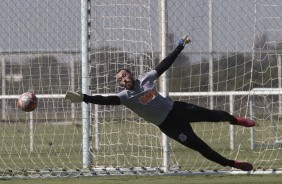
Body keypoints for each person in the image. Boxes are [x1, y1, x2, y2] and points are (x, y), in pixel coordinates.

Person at [65, 35, 255, 171]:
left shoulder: (146, 79)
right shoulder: (124, 97)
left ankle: (236, 120)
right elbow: (104, 100)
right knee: (201, 147)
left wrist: (179, 47)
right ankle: (233, 164)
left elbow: (164, 64)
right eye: (119, 79)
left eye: (124, 75)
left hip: (178, 109)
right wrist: (84, 98)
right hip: (169, 125)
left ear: (131, 74)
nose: (122, 80)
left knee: (214, 115)